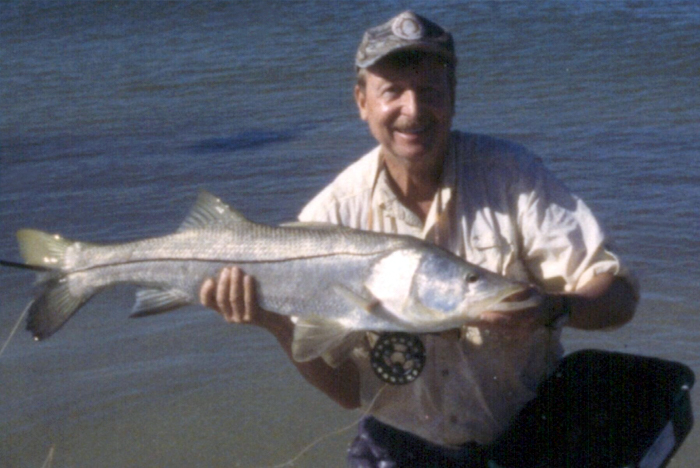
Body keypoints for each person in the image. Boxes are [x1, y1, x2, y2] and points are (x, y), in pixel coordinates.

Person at [200, 11, 638, 467]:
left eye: (430, 91)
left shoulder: (512, 177)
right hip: (399, 446)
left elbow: (620, 297)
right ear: (361, 102)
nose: (413, 110)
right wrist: (275, 324)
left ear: (452, 98)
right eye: (392, 91)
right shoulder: (329, 217)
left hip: (529, 433)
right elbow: (351, 392)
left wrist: (554, 308)